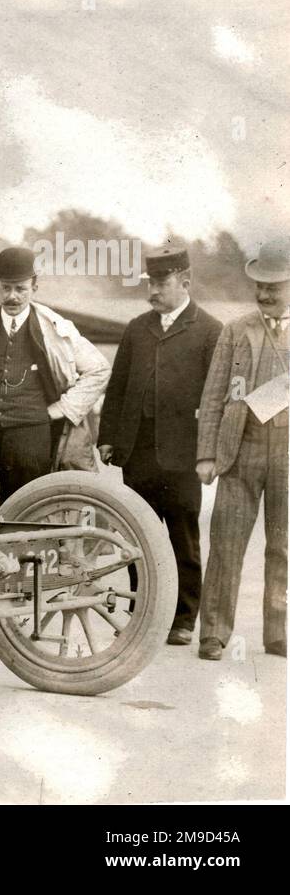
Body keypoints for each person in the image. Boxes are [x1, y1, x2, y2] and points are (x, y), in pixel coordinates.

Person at [98, 246, 223, 646]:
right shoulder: (137, 328)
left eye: (162, 283)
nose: (153, 290)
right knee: (138, 534)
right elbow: (117, 387)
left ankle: (184, 619)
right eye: (150, 283)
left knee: (182, 536)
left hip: (183, 455)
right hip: (138, 451)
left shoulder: (210, 330)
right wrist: (108, 438)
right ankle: (144, 610)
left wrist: (209, 452)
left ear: (184, 283)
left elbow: (217, 397)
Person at [195, 237, 290, 661]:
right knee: (227, 544)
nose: (266, 294)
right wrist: (206, 454)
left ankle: (278, 633)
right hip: (240, 452)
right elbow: (213, 395)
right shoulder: (236, 331)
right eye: (261, 285)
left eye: (276, 286)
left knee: (283, 547)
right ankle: (213, 634)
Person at [0, 246, 110, 502]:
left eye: (20, 289)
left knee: (29, 503)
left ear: (34, 288)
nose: (12, 297)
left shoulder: (55, 327)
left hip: (32, 434)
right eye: (6, 288)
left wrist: (62, 408)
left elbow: (99, 369)